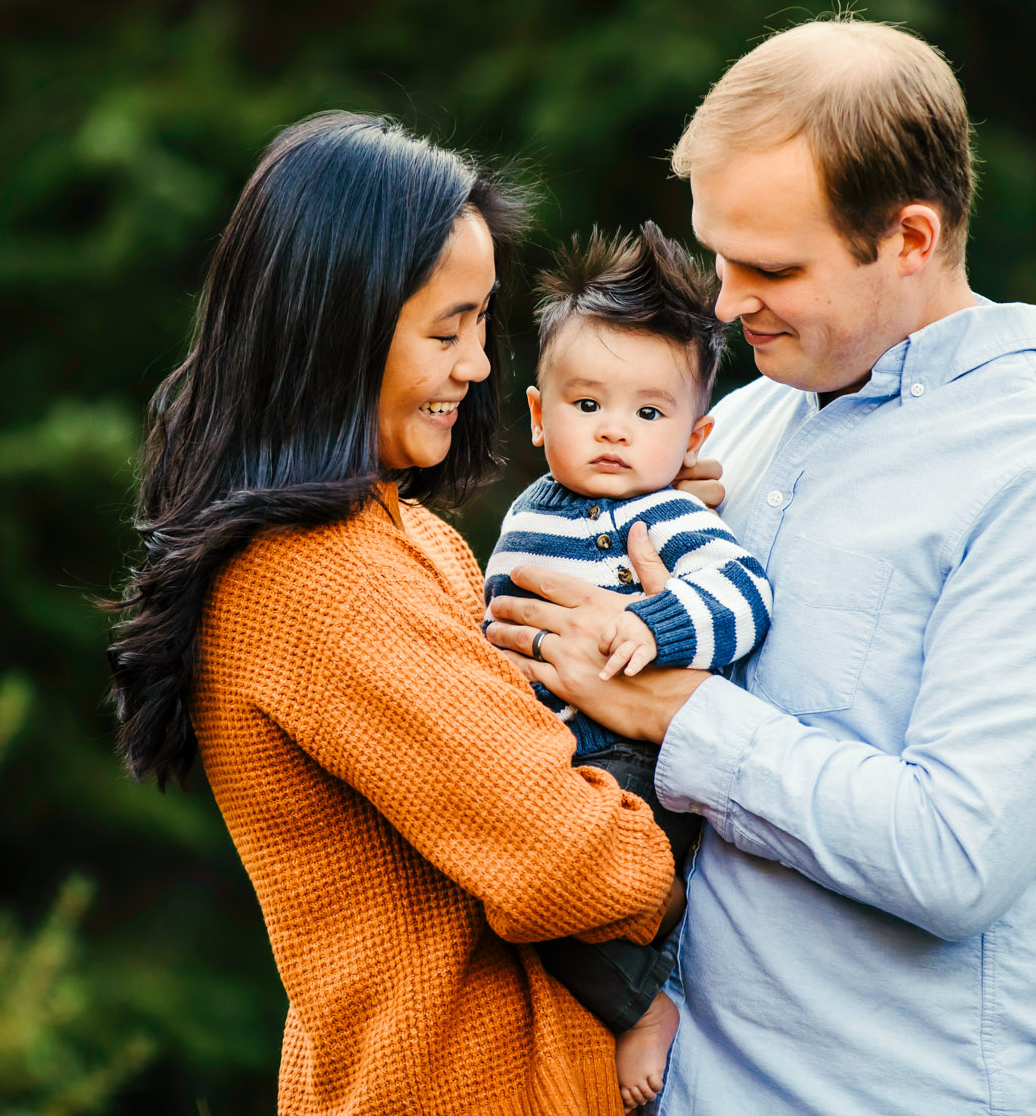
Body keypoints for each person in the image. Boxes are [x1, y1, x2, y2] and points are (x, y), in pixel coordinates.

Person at [485, 20, 1036, 1114]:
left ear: (907, 237)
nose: (720, 300)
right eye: (718, 254)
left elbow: (954, 856)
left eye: (769, 267)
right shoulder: (740, 426)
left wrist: (678, 709)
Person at [105, 112, 679, 1116]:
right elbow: (567, 862)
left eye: (480, 323)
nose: (479, 365)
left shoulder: (395, 539)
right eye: (443, 328)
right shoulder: (321, 579)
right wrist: (671, 840)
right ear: (339, 327)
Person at [481, 222, 773, 1109]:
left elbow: (745, 595)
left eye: (649, 413)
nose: (615, 433)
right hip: (545, 753)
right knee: (509, 881)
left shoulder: (668, 514)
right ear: (539, 415)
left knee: (548, 882)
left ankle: (642, 1005)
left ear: (693, 433)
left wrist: (658, 624)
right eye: (587, 406)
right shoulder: (532, 510)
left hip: (629, 755)